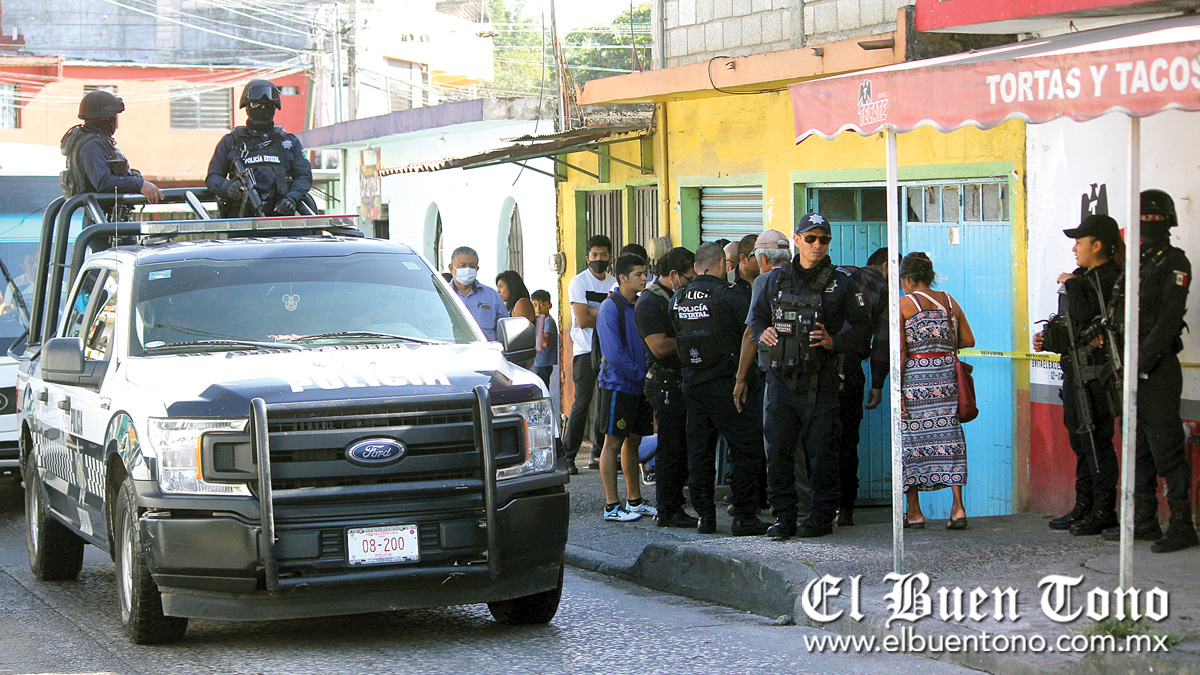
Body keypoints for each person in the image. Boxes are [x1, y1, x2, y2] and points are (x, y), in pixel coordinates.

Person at [749, 214, 871, 539]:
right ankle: (784, 517)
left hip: (821, 383)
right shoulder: (774, 279)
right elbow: (757, 319)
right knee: (778, 451)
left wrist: (835, 342)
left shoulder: (841, 282)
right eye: (811, 238)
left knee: (823, 452)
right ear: (797, 239)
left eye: (824, 239)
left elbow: (863, 328)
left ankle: (819, 517)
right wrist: (765, 334)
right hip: (780, 381)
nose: (817, 245)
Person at [1101, 190, 1196, 553]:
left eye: (1156, 219)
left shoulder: (1175, 262)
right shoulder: (1135, 262)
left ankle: (1183, 524)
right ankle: (1144, 521)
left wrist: (1140, 360)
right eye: (1145, 218)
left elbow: (1170, 319)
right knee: (1136, 444)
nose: (1150, 224)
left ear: (1169, 222)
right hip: (1129, 365)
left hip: (1157, 368)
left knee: (1166, 447)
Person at [1032, 215, 1122, 536]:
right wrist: (1047, 340)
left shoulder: (1111, 279)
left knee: (1097, 441)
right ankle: (1084, 504)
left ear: (1098, 245)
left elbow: (1091, 319)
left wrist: (1072, 283)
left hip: (1097, 376)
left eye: (1080, 242)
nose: (1074, 248)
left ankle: (1103, 509)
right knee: (1080, 441)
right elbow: (1071, 327)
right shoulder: (1082, 277)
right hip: (1074, 372)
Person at [672, 242, 770, 536]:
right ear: (720, 265)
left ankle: (705, 517)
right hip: (727, 384)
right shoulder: (729, 297)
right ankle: (743, 516)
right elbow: (751, 331)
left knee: (700, 452)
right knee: (746, 447)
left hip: (691, 383)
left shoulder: (677, 298)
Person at [898, 252, 974, 530]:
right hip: (946, 383)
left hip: (916, 383)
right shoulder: (949, 302)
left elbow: (902, 352)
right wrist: (940, 349)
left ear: (907, 279)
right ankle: (958, 508)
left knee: (911, 445)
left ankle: (915, 512)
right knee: (950, 439)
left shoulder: (905, 304)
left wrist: (899, 392)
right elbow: (968, 339)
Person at [635, 246, 697, 528]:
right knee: (671, 447)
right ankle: (668, 508)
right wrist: (695, 337)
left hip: (682, 380)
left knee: (682, 446)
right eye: (687, 278)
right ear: (673, 275)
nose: (690, 284)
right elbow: (659, 347)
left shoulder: (676, 296)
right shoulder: (650, 302)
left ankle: (675, 504)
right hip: (664, 382)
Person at [596, 254, 657, 522]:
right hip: (619, 386)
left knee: (633, 441)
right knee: (612, 443)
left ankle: (635, 500)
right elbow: (614, 354)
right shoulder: (611, 307)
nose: (645, 278)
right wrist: (643, 377)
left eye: (646, 273)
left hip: (640, 386)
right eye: (639, 274)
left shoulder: (642, 304)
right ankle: (612, 505)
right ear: (623, 278)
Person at [834, 246, 890, 527]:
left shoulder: (835, 275)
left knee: (815, 439)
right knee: (847, 441)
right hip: (852, 367)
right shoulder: (881, 289)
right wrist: (877, 383)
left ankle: (816, 505)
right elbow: (882, 342)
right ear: (886, 266)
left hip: (816, 365)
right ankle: (845, 508)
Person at [205, 80, 312, 218]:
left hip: (281, 222)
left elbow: (304, 175)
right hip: (242, 224)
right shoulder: (231, 141)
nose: (262, 109)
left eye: (267, 106)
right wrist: (228, 187)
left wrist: (292, 197)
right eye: (256, 105)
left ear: (274, 108)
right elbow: (212, 178)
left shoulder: (288, 142)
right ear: (247, 108)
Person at [60, 89, 163, 217]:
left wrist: (132, 177)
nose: (115, 120)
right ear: (105, 118)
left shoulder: (98, 141)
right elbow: (103, 182)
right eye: (114, 116)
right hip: (103, 221)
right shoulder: (92, 145)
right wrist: (139, 185)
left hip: (109, 219)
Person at [564, 235, 613, 472]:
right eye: (594, 255)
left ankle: (598, 454)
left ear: (610, 257)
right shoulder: (578, 282)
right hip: (585, 351)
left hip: (609, 351)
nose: (599, 259)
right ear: (587, 258)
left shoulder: (614, 283)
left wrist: (595, 311)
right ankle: (569, 456)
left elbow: (617, 319)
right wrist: (605, 313)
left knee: (605, 404)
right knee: (582, 403)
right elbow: (582, 320)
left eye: (603, 255)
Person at [445, 246, 508, 341]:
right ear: (451, 268)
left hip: (485, 353)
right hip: (450, 352)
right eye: (463, 265)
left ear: (477, 269)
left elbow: (506, 329)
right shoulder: (441, 295)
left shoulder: (491, 296)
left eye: (472, 266)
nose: (467, 269)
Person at [530, 289, 558, 387]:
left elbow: (546, 342)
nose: (538, 308)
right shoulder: (538, 321)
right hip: (536, 363)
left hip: (542, 364)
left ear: (549, 305)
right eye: (535, 305)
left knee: (541, 390)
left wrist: (536, 329)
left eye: (542, 304)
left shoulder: (548, 321)